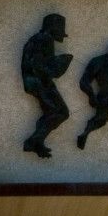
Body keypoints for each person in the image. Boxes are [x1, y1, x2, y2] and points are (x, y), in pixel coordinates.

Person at [21, 13, 73, 158]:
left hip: (38, 81)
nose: (61, 36)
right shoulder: (45, 39)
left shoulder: (39, 39)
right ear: (53, 28)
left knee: (53, 113)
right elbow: (38, 65)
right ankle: (32, 141)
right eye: (60, 31)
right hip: (39, 82)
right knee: (61, 112)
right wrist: (59, 65)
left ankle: (37, 142)